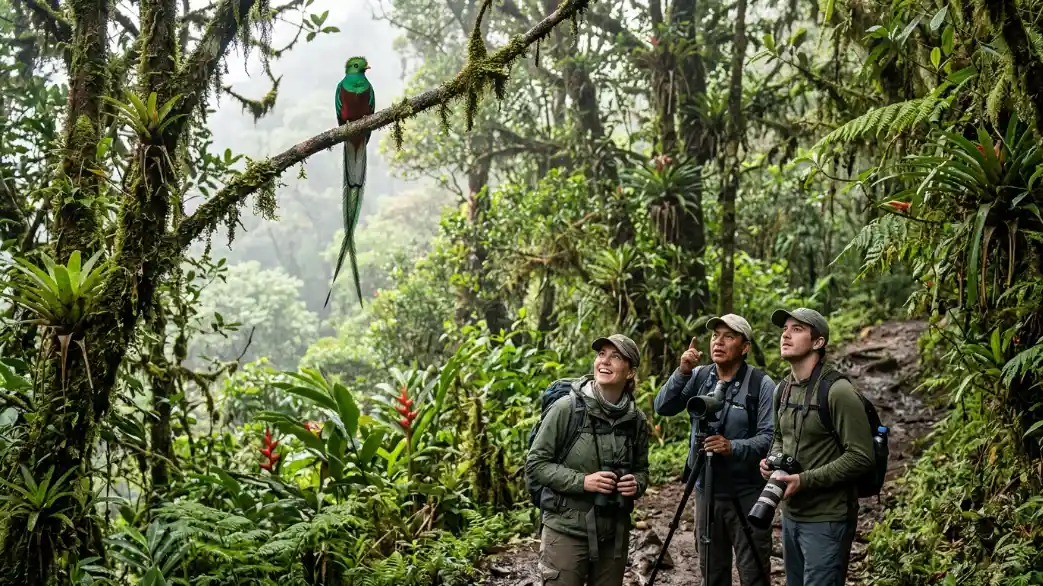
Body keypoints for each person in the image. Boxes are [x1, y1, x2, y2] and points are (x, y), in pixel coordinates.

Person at [653, 314, 776, 586]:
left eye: (728, 337)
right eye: (714, 336)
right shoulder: (699, 376)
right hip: (705, 490)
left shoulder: (760, 384)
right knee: (712, 572)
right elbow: (662, 407)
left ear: (744, 347)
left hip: (746, 492)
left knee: (753, 570)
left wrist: (732, 447)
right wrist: (682, 371)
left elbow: (770, 437)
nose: (718, 342)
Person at [525, 334, 651, 586]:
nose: (604, 361)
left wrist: (635, 484)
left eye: (615, 356)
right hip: (565, 530)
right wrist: (584, 482)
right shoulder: (566, 409)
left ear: (630, 372)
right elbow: (536, 464)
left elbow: (642, 470)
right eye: (601, 354)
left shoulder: (636, 420)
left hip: (614, 533)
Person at [761, 308, 873, 586]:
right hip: (790, 514)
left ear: (818, 342)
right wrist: (772, 460)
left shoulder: (838, 392)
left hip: (828, 519)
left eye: (797, 329)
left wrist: (804, 479)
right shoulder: (782, 390)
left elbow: (861, 456)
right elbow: (778, 437)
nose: (785, 335)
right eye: (784, 329)